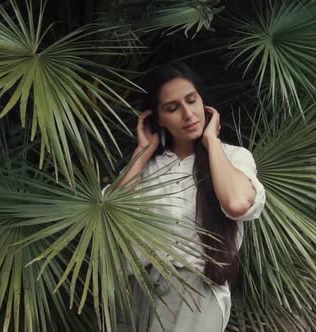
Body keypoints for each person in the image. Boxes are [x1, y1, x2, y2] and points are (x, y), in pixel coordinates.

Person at [114, 61, 266, 332]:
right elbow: (110, 219)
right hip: (139, 290)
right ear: (158, 118)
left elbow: (237, 203)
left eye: (192, 101)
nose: (187, 114)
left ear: (204, 103)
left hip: (196, 291)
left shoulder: (232, 158)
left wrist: (212, 141)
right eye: (173, 108)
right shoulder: (148, 168)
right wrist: (142, 152)